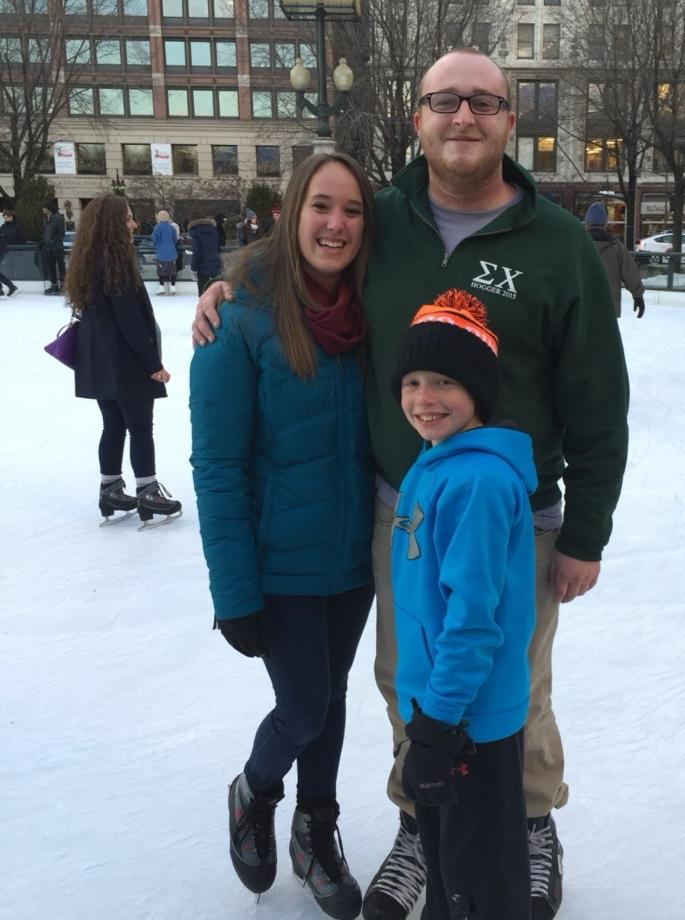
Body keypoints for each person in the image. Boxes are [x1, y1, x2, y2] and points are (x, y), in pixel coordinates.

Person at [194, 48, 629, 920]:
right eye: (445, 102)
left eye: (483, 102)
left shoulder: (556, 244)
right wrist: (229, 281)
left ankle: (531, 819)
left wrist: (587, 530)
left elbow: (598, 397)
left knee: (516, 674)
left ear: (510, 121)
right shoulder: (384, 220)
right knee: (408, 676)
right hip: (401, 508)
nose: (463, 117)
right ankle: (417, 824)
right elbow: (307, 246)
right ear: (419, 117)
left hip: (519, 512)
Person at [189, 152, 376, 919]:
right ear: (292, 211)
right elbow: (218, 468)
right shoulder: (238, 319)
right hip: (281, 563)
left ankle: (315, 829)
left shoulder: (373, 311)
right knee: (301, 707)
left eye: (353, 211)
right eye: (322, 207)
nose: (336, 224)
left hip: (355, 557)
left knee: (329, 698)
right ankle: (254, 790)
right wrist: (234, 592)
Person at [389, 290, 536, 920]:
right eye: (414, 380)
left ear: (478, 391)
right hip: (441, 713)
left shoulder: (477, 481)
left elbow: (473, 621)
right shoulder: (435, 462)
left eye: (445, 381)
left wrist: (441, 726)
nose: (425, 398)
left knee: (477, 883)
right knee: (450, 871)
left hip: (463, 721)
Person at [63, 192, 182, 525]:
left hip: (97, 357)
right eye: (128, 218)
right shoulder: (116, 261)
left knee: (113, 425)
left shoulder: (87, 258)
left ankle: (110, 489)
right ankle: (149, 493)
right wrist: (153, 364)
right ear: (114, 224)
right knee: (141, 427)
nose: (133, 224)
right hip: (124, 359)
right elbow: (130, 320)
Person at [584, 201, 645, 319]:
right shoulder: (616, 247)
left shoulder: (576, 244)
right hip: (608, 306)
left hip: (581, 306)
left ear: (587, 223)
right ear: (605, 223)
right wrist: (638, 296)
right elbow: (630, 273)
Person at [187, 210, 223, 295]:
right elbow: (218, 248)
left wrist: (193, 269)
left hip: (202, 268)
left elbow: (197, 253)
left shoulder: (194, 231)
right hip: (216, 265)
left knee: (203, 294)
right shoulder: (214, 230)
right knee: (217, 294)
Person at [41, 199, 66, 295]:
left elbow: (61, 233)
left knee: (61, 267)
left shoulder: (58, 218)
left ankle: (63, 285)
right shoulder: (45, 219)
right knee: (51, 266)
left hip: (57, 246)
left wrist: (53, 241)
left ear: (49, 208)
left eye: (44, 207)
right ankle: (54, 285)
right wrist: (43, 242)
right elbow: (46, 233)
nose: (42, 209)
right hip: (48, 247)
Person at [152, 210, 178, 296]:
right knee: (172, 271)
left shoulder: (157, 227)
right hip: (172, 253)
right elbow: (175, 239)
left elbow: (154, 240)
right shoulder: (172, 228)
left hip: (161, 254)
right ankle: (173, 288)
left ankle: (162, 288)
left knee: (161, 272)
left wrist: (157, 245)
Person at [0, 208, 21, 297]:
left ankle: (10, 287)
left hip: (2, 249)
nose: (5, 219)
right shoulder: (3, 227)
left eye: (7, 217)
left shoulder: (17, 226)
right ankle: (6, 288)